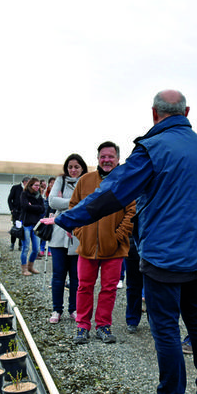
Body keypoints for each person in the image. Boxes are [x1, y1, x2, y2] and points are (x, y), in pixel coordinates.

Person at [56, 89, 197, 394]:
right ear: (186, 111)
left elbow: (113, 192)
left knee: (165, 328)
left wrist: (66, 219)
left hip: (166, 255)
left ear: (153, 114)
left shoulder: (153, 148)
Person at [67, 141, 135, 345]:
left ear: (117, 159)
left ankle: (103, 326)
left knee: (109, 289)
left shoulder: (125, 182)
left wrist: (118, 236)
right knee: (83, 287)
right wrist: (81, 232)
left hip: (114, 249)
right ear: (97, 159)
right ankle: (82, 326)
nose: (106, 160)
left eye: (110, 156)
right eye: (103, 156)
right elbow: (73, 208)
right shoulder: (85, 181)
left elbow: (132, 212)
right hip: (87, 248)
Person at [47, 154, 88, 324]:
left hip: (78, 235)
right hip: (58, 235)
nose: (73, 170)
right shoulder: (60, 180)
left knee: (76, 277)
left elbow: (87, 203)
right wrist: (74, 202)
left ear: (82, 168)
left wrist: (64, 202)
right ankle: (57, 309)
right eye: (70, 167)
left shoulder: (86, 181)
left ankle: (74, 309)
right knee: (58, 275)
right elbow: (51, 202)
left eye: (76, 167)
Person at [19, 177, 45, 276]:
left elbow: (42, 209)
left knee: (36, 248)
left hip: (36, 225)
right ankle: (24, 269)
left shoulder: (39, 196)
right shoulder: (24, 194)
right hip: (26, 224)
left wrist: (32, 206)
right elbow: (25, 206)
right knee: (25, 248)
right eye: (36, 185)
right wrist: (35, 207)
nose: (38, 187)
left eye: (39, 185)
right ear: (30, 185)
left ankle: (31, 266)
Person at [7, 176, 30, 250]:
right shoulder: (15, 188)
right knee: (15, 228)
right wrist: (12, 209)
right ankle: (12, 244)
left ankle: (20, 245)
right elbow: (9, 199)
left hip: (24, 212)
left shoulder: (28, 190)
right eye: (29, 183)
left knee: (22, 228)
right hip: (16, 212)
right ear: (24, 182)